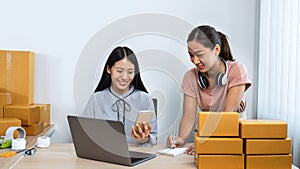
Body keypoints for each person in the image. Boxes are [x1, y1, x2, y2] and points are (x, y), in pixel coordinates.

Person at [166, 25, 251, 154]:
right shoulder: (190, 77)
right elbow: (189, 116)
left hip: (235, 139)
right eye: (191, 55)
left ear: (216, 50)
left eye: (200, 55)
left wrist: (209, 143)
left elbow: (229, 114)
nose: (195, 61)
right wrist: (181, 139)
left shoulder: (237, 71)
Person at [82, 46, 157, 146]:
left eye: (130, 72)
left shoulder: (145, 99)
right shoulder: (96, 99)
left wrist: (143, 139)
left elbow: (154, 137)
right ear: (109, 69)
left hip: (136, 156)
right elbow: (83, 134)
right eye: (119, 71)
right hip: (104, 157)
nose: (125, 77)